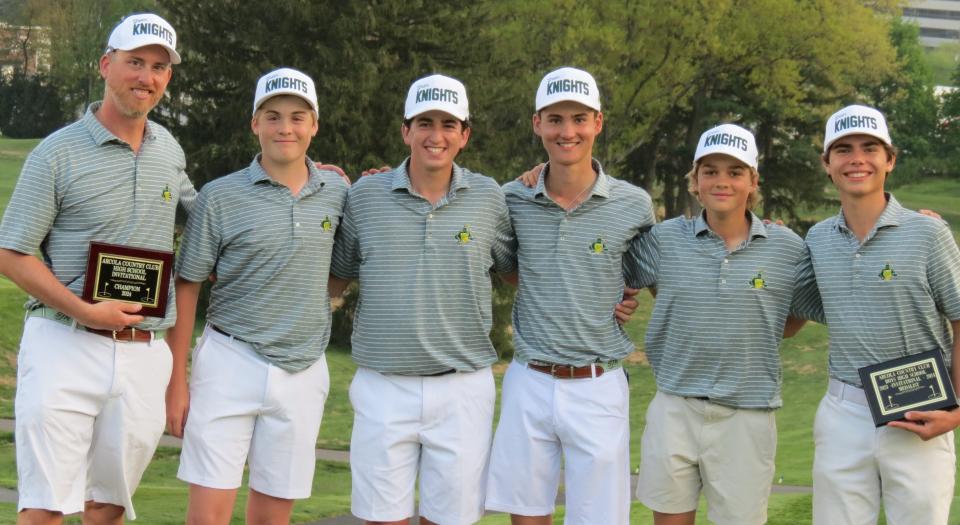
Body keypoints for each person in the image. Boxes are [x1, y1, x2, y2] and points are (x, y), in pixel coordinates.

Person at [0, 13, 195, 523]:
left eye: (158, 67)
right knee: (45, 507)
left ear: (167, 79)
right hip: (64, 342)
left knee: (107, 506)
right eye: (134, 62)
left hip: (144, 354)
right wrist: (86, 310)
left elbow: (206, 219)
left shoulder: (169, 150)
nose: (145, 77)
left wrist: (311, 174)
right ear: (106, 65)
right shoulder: (57, 153)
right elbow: (11, 252)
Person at [330, 74, 517, 525]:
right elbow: (335, 280)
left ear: (465, 134)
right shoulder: (365, 195)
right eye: (425, 123)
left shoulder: (489, 196)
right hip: (382, 384)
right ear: (405, 131)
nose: (436, 136)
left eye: (449, 124)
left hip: (462, 387)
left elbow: (520, 276)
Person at [165, 67, 348, 525]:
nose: (285, 127)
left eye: (297, 117)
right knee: (208, 516)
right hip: (230, 360)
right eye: (272, 116)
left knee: (272, 516)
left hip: (303, 369)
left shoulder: (339, 191)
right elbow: (187, 284)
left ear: (314, 126)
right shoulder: (220, 196)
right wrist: (177, 378)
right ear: (255, 124)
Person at [484, 67, 655, 525]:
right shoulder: (511, 198)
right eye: (555, 119)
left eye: (579, 118)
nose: (567, 131)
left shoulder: (633, 203)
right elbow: (513, 271)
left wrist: (622, 294)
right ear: (537, 123)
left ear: (598, 122)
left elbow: (648, 273)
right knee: (526, 515)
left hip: (598, 383)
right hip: (529, 378)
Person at [627, 124, 819, 525]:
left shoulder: (788, 248)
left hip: (746, 414)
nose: (721, 181)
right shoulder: (662, 240)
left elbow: (791, 318)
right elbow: (614, 274)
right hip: (675, 407)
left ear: (753, 181)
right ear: (695, 182)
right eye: (710, 171)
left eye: (735, 172)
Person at [801, 104, 960, 524]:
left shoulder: (928, 233)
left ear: (889, 160)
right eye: (843, 149)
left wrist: (958, 411)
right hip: (843, 413)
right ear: (827, 164)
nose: (857, 158)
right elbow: (786, 310)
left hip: (918, 411)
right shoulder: (817, 239)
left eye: (870, 148)